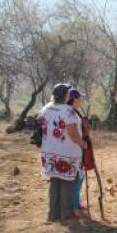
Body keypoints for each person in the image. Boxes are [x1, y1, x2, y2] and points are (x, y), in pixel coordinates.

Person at [38, 83, 86, 222]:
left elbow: (40, 123)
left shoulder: (46, 108)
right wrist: (81, 143)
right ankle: (66, 215)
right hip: (67, 152)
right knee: (67, 183)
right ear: (66, 95)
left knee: (54, 182)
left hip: (49, 151)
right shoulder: (68, 111)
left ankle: (53, 214)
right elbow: (71, 131)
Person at [67, 88, 89, 217]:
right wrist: (82, 143)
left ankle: (76, 203)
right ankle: (74, 206)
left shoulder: (74, 112)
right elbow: (73, 133)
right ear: (75, 99)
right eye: (80, 98)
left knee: (80, 177)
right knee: (76, 178)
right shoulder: (69, 112)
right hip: (73, 150)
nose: (81, 101)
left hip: (78, 150)